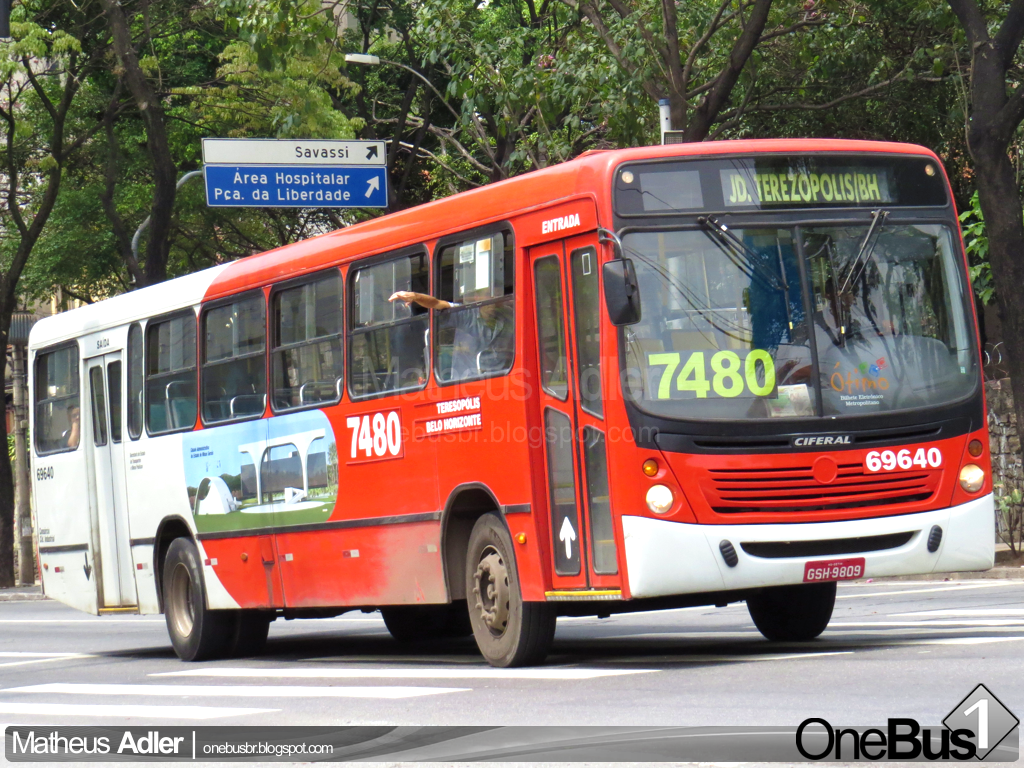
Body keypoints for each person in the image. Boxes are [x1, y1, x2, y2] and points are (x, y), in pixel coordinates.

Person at [389, 290, 513, 380]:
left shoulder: (506, 318)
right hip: (467, 383)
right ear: (477, 297)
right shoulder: (466, 314)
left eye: (495, 295)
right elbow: (437, 304)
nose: (492, 300)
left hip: (499, 380)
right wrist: (416, 296)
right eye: (488, 295)